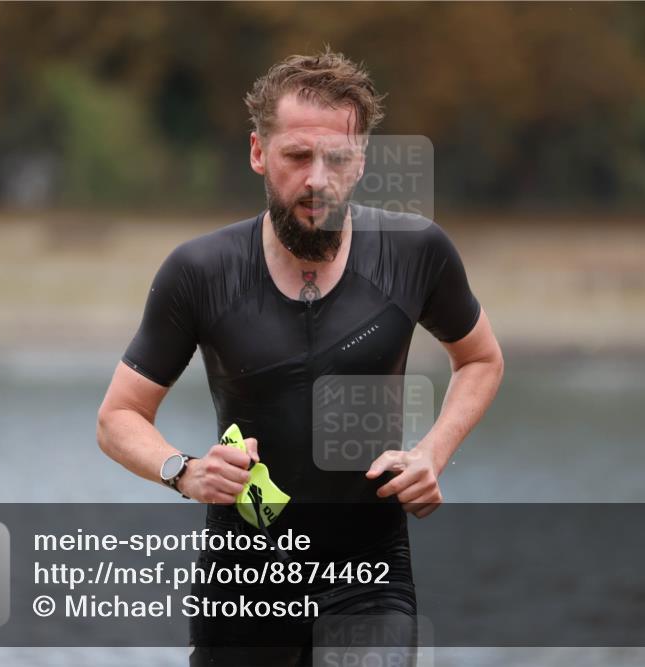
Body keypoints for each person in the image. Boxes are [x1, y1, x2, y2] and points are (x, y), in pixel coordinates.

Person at [97, 48, 503, 666]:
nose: (318, 179)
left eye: (337, 158)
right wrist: (183, 471)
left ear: (361, 160)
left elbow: (479, 359)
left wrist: (432, 453)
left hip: (370, 578)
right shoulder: (199, 272)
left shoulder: (415, 252)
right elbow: (118, 417)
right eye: (296, 156)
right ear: (259, 152)